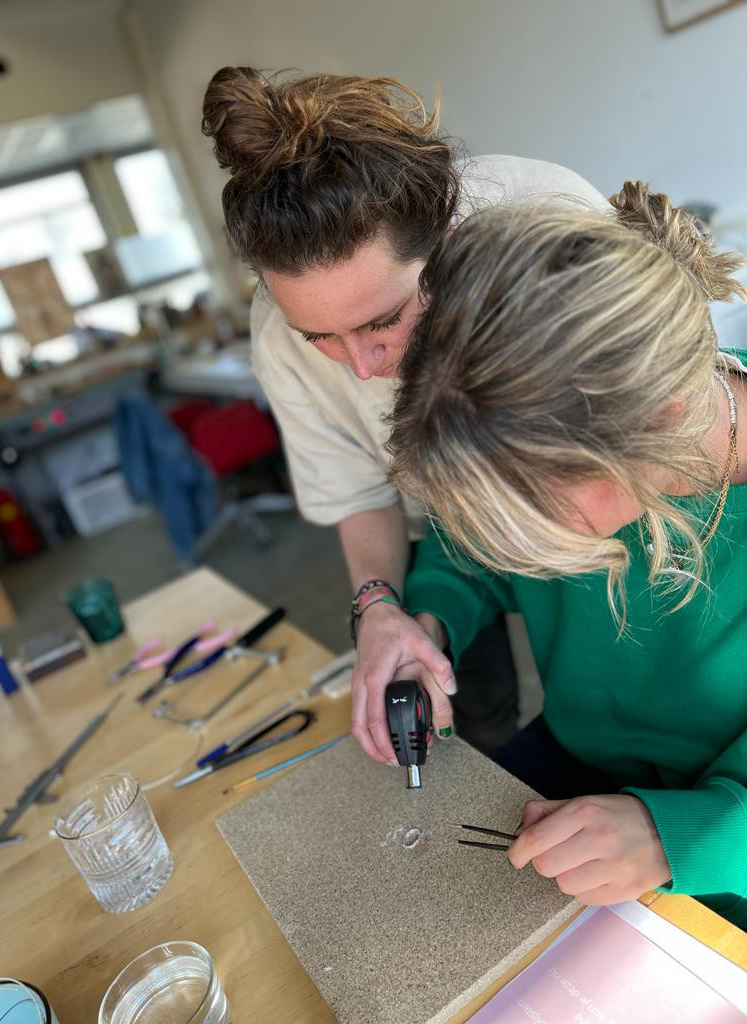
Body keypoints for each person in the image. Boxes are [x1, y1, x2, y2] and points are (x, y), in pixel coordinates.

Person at [201, 65, 608, 759]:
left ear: (448, 238)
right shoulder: (276, 336)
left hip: (604, 496)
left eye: (382, 320)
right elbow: (362, 494)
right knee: (464, 719)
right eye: (321, 337)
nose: (362, 367)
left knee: (617, 694)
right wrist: (380, 608)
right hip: (443, 539)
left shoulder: (552, 226)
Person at [385, 181, 747, 925]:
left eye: (532, 514)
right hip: (578, 759)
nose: (510, 540)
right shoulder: (554, 440)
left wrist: (673, 836)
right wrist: (426, 623)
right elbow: (468, 548)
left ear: (659, 421)